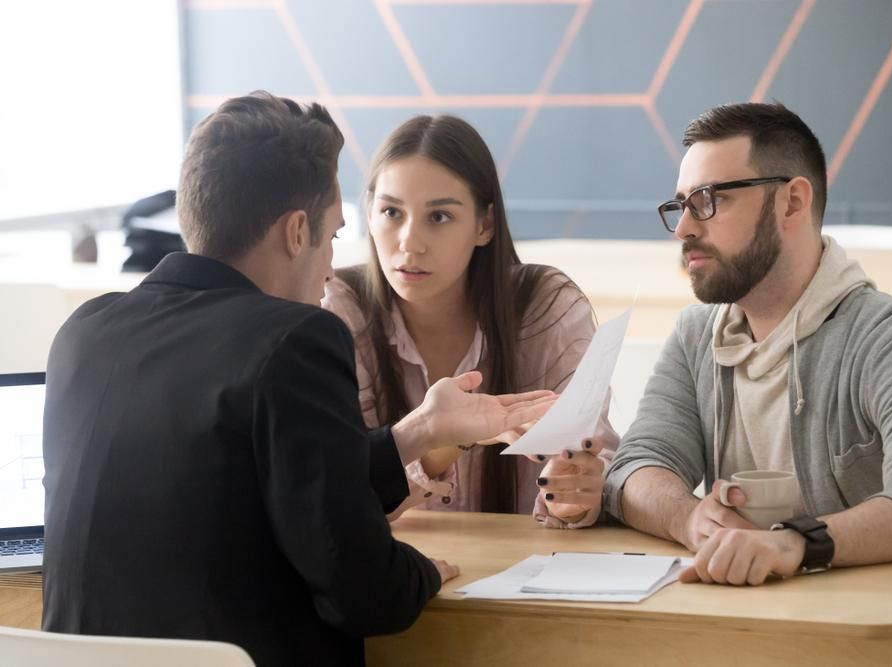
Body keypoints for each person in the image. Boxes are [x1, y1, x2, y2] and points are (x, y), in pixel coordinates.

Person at [41, 92, 554, 667]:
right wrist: (419, 573)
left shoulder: (84, 333)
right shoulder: (294, 340)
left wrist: (417, 432)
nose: (333, 266)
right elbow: (367, 594)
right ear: (294, 233)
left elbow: (258, 487)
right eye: (332, 236)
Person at [598, 102, 892, 667]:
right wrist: (687, 516)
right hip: (731, 639)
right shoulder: (696, 334)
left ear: (792, 201)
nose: (683, 227)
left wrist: (795, 543)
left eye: (710, 199)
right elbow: (636, 466)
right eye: (680, 205)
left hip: (872, 648)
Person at [323, 115, 617, 527]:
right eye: (391, 212)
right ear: (369, 215)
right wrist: (444, 438)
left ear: (485, 225)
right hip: (396, 577)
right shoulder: (339, 309)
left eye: (439, 217)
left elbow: (594, 453)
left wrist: (577, 495)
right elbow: (334, 494)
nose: (409, 242)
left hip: (527, 573)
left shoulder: (546, 305)